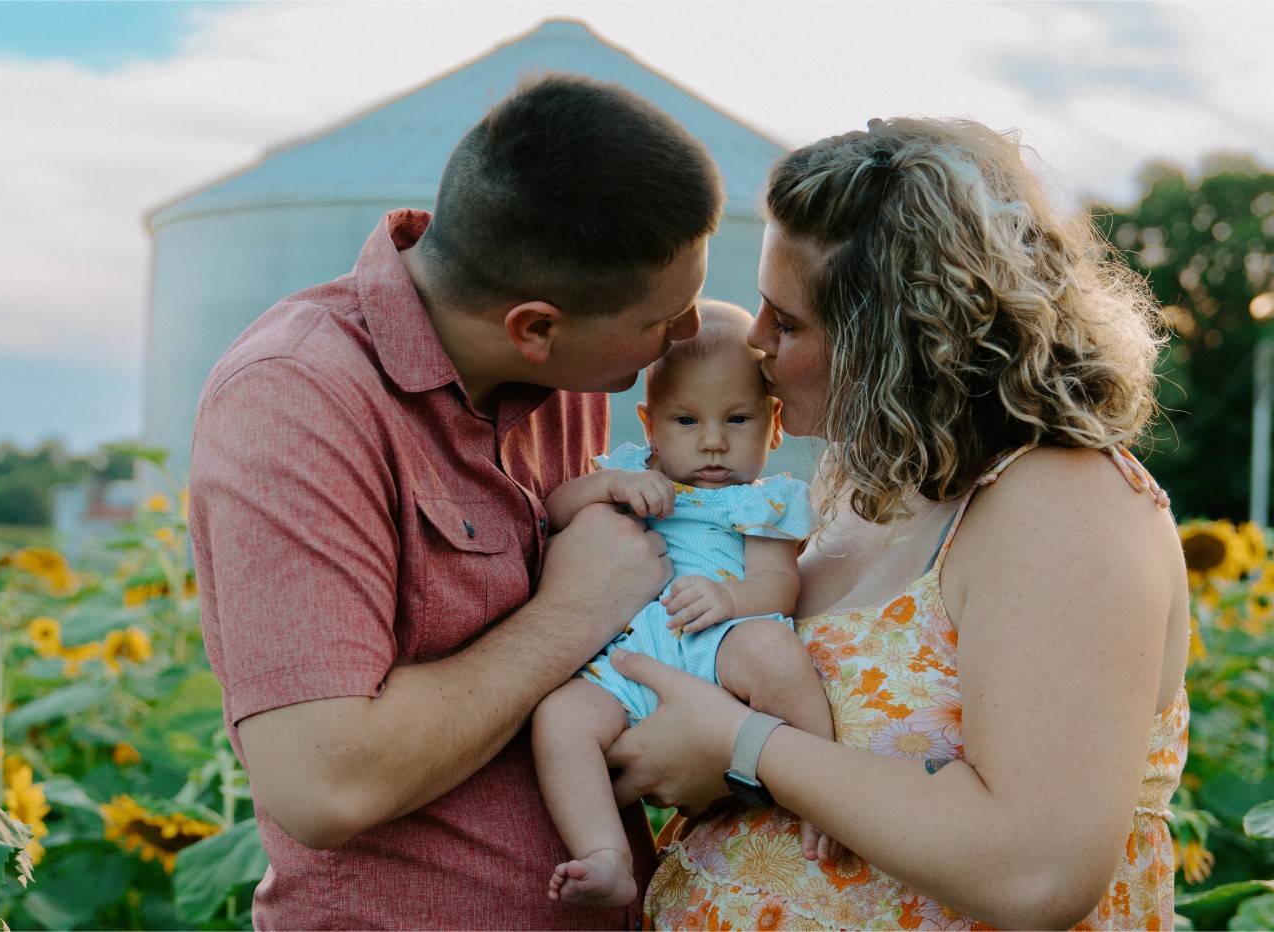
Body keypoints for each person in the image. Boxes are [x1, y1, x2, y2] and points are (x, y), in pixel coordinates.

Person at [600, 118, 1190, 930]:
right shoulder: (867, 486)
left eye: (792, 321)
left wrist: (743, 748)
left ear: (906, 342)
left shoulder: (1065, 503)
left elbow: (1037, 870)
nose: (758, 345)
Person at [187, 73, 724, 930]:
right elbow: (326, 781)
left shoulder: (566, 375)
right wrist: (573, 611)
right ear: (535, 325)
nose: (689, 334)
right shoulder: (296, 399)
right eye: (664, 318)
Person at [531, 301, 841, 909]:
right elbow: (556, 510)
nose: (714, 443)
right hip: (631, 655)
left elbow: (780, 585)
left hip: (719, 649)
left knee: (774, 650)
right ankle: (607, 853)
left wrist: (731, 598)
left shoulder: (762, 501)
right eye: (685, 421)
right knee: (560, 717)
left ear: (773, 425)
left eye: (738, 419)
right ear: (648, 425)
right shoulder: (630, 476)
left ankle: (823, 790)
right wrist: (608, 487)